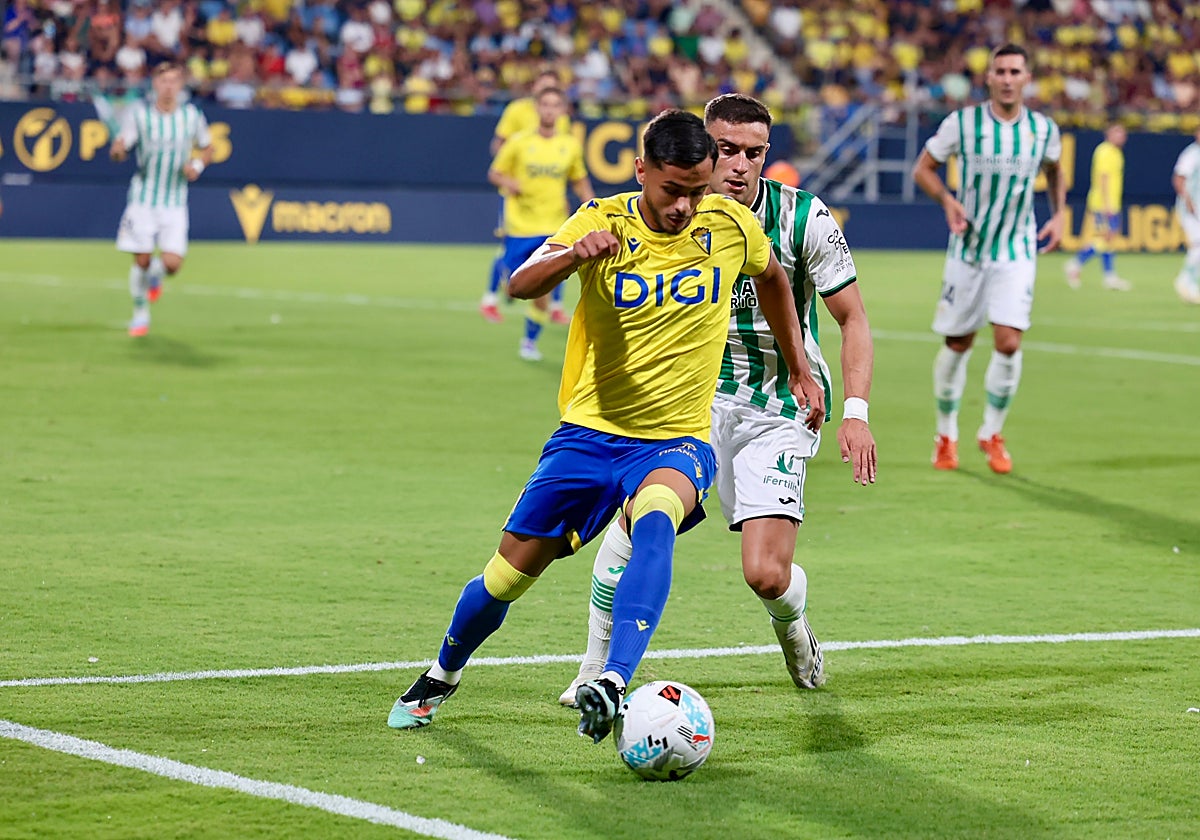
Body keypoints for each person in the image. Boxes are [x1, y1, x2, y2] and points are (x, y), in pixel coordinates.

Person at [387, 110, 826, 745]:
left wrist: (800, 367)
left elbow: (774, 281)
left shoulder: (730, 223)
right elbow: (519, 284)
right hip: (589, 434)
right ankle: (440, 676)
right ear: (642, 170)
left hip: (676, 438)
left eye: (697, 190)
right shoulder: (600, 220)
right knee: (506, 577)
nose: (685, 206)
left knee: (655, 521)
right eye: (674, 190)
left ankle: (613, 681)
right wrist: (571, 256)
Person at [557, 94, 877, 705]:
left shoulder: (805, 218)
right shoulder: (673, 210)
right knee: (628, 531)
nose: (738, 166)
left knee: (765, 574)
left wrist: (856, 412)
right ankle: (593, 669)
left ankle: (792, 624)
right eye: (726, 150)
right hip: (689, 405)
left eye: (753, 153)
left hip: (779, 406)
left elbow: (852, 317)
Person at [912, 43, 1065, 475]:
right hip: (970, 250)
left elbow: (1054, 169)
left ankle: (991, 432)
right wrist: (947, 200)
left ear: (1027, 77)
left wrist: (1059, 214)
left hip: (1016, 250)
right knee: (958, 343)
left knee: (1009, 341)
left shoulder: (1042, 130)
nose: (1007, 78)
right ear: (989, 77)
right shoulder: (963, 124)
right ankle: (946, 434)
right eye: (1000, 70)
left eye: (1015, 70)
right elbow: (923, 168)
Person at [486, 86, 594, 361]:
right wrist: (510, 182)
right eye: (544, 104)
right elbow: (495, 173)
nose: (549, 110)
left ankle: (529, 341)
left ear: (562, 110)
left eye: (554, 105)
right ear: (537, 108)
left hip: (553, 226)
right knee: (511, 279)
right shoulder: (519, 142)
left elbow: (579, 180)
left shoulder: (569, 145)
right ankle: (501, 284)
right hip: (521, 225)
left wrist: (592, 205)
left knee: (542, 288)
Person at [110, 61, 213, 337]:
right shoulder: (141, 117)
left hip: (175, 200)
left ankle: (156, 275)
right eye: (164, 80)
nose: (169, 86)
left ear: (181, 86)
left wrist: (198, 166)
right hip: (143, 198)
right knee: (140, 258)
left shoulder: (191, 116)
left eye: (174, 81)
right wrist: (118, 151)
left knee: (173, 264)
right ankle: (140, 313)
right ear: (155, 84)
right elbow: (122, 147)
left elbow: (207, 148)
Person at [482, 69, 575, 325]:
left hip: (550, 201)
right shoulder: (517, 111)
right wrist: (510, 173)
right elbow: (498, 145)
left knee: (556, 253)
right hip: (518, 197)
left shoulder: (561, 121)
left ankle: (553, 306)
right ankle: (493, 296)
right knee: (510, 251)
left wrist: (561, 192)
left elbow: (561, 155)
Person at [1064, 124, 1130, 291]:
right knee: (1104, 239)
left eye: (1123, 133)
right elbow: (1103, 178)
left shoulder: (1115, 152)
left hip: (1111, 202)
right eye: (1118, 132)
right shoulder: (1105, 151)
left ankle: (1108, 276)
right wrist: (1107, 205)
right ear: (1108, 134)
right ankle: (1076, 264)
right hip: (1103, 203)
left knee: (1109, 240)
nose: (1122, 137)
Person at [1171, 128, 1200, 305]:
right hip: (1190, 209)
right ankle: (1186, 281)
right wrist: (1187, 200)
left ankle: (1188, 281)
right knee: (1198, 245)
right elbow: (1179, 179)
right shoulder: (1191, 154)